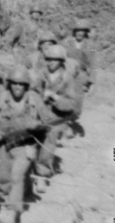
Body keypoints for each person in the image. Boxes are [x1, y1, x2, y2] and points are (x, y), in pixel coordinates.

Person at [0, 64, 50, 223]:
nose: (17, 87)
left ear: (26, 85)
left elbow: (48, 122)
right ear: (9, 84)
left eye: (21, 84)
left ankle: (12, 213)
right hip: (4, 145)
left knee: (16, 176)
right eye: (14, 83)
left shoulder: (34, 99)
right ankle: (10, 199)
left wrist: (38, 126)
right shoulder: (1, 97)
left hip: (26, 145)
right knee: (4, 178)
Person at [32, 44, 82, 179]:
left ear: (61, 61)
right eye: (48, 59)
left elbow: (71, 104)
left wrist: (56, 98)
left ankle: (42, 171)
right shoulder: (41, 74)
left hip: (58, 116)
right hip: (40, 112)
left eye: (54, 60)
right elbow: (32, 92)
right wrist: (39, 98)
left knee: (50, 135)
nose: (51, 63)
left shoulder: (67, 78)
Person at [65, 18, 96, 92]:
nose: (79, 33)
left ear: (85, 32)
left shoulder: (89, 45)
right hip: (68, 72)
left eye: (82, 31)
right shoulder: (68, 42)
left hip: (81, 74)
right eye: (78, 31)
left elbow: (93, 64)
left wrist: (91, 82)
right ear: (75, 32)